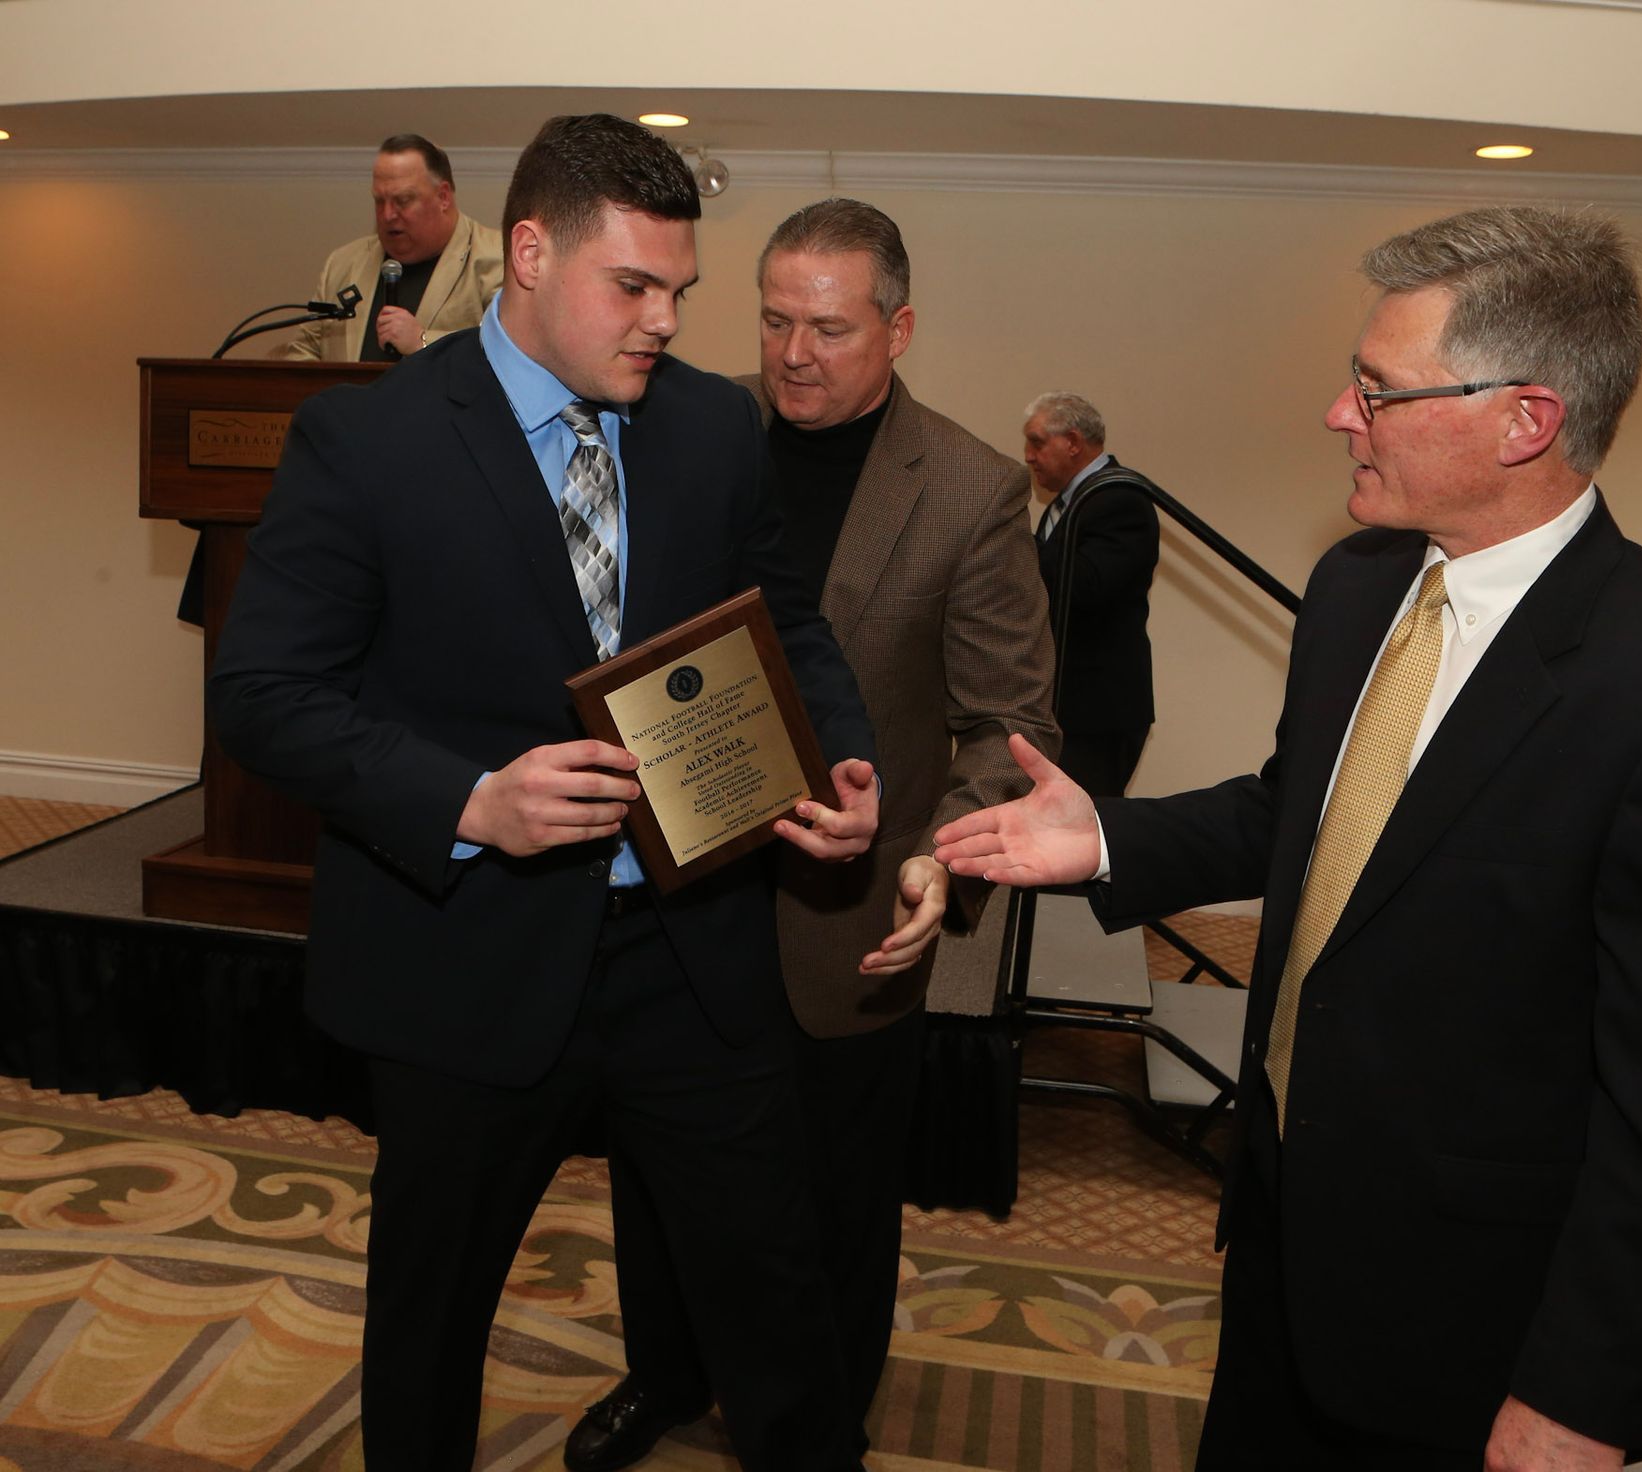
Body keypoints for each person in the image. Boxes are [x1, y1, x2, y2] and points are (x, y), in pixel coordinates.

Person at [935, 206, 1642, 1471]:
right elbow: (1308, 812)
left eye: (1376, 390)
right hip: (1287, 1238)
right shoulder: (1357, 588)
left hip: (1477, 1319)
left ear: (1527, 418)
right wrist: (1108, 839)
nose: (1337, 415)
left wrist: (1583, 1395)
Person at [210, 114, 881, 1472]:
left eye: (680, 292)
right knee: (431, 1320)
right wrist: (470, 801)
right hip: (468, 960)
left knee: (776, 1303)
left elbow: (788, 626)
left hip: (692, 954)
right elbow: (266, 697)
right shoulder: (369, 444)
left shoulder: (711, 426)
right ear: (528, 253)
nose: (664, 321)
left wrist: (842, 756)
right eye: (633, 286)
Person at [564, 198, 1059, 1472]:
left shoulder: (971, 488)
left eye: (829, 328)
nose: (794, 352)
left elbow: (1004, 725)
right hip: (667, 895)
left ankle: (823, 1416)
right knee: (661, 1173)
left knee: (832, 1199)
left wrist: (936, 862)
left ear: (897, 328)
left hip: (845, 917)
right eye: (776, 319)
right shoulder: (681, 425)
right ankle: (665, 1372)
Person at [1023, 391, 1159, 796]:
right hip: (1067, 706)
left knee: (1083, 832)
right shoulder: (1066, 504)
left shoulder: (1121, 497)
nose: (1028, 455)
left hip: (1098, 711)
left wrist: (1009, 535)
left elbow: (1084, 587)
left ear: (1073, 442)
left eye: (1037, 441)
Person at [280, 132, 503, 362]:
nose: (387, 215)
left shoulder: (496, 258)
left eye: (403, 200)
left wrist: (422, 341)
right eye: (379, 201)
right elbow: (303, 352)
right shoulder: (342, 264)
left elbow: (509, 350)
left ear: (443, 197)